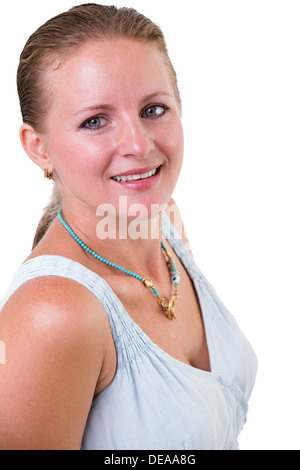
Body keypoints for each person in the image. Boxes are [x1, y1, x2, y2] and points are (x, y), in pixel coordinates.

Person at [0, 3, 257, 450]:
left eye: (154, 109)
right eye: (95, 121)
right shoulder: (53, 315)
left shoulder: (165, 224)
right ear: (38, 147)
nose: (138, 144)